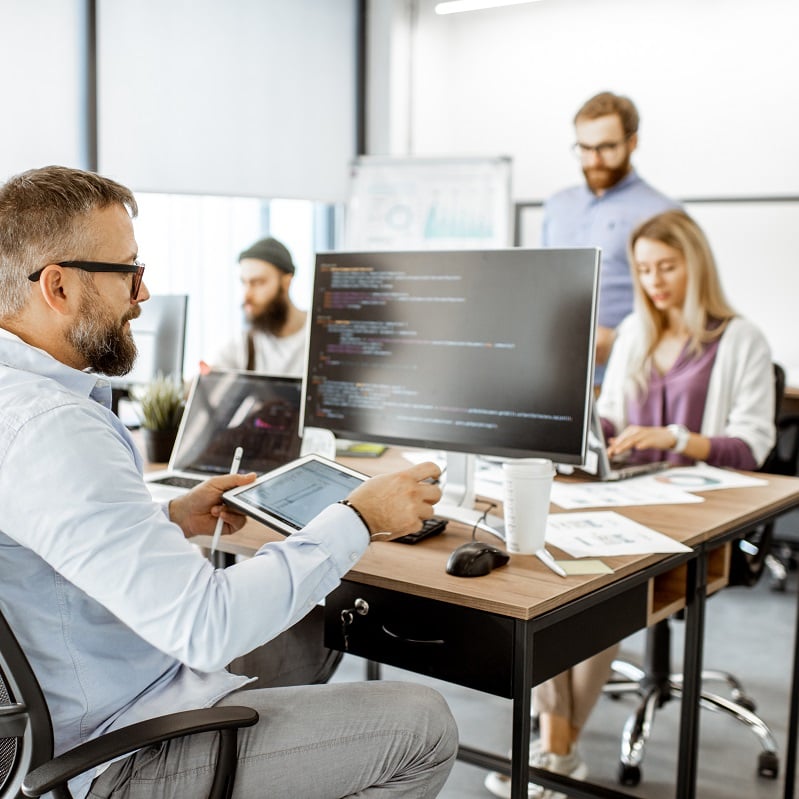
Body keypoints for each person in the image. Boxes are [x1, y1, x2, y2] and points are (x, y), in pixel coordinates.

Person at [0, 165, 458, 799]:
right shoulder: (52, 427)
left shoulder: (20, 401)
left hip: (106, 691)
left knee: (304, 637)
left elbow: (47, 543)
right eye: (129, 271)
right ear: (58, 287)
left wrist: (169, 518)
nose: (144, 292)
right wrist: (361, 518)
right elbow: (207, 627)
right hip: (114, 752)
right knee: (426, 725)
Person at [486, 209, 776, 799]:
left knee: (604, 589)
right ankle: (555, 750)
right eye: (643, 270)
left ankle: (553, 752)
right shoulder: (638, 335)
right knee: (544, 571)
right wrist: (587, 432)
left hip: (698, 515)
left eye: (666, 267)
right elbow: (613, 415)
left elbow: (752, 446)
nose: (654, 281)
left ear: (695, 265)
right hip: (625, 497)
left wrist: (674, 438)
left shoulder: (741, 338)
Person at [541, 91, 680, 380]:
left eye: (606, 147)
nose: (594, 160)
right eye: (584, 148)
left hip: (632, 373)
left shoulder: (663, 213)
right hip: (558, 370)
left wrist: (618, 336)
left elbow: (682, 308)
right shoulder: (557, 205)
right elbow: (543, 286)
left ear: (632, 142)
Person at [210, 235, 308, 375]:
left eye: (257, 283)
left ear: (286, 282)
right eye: (244, 283)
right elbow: (208, 375)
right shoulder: (246, 344)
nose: (246, 295)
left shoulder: (319, 335)